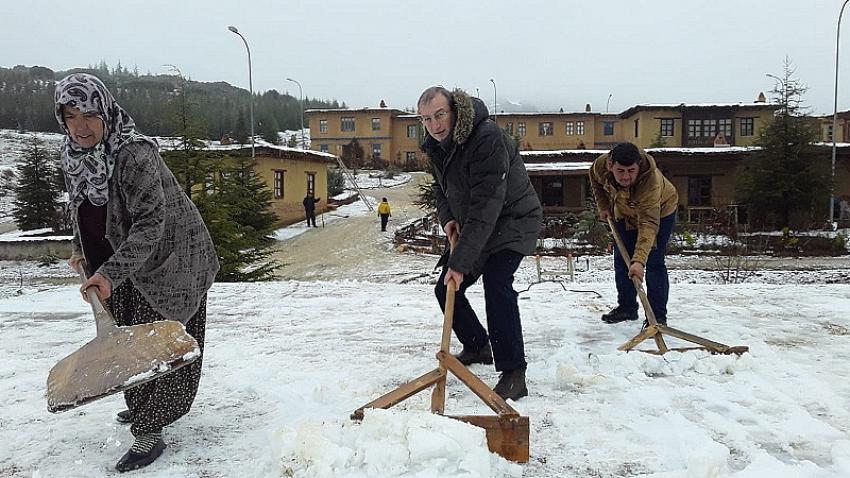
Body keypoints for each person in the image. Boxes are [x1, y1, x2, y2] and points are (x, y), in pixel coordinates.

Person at [55, 73, 219, 473]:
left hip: (169, 260)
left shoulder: (134, 154)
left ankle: (151, 427)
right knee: (128, 338)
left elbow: (151, 224)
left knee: (161, 345)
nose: (81, 125)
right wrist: (81, 251)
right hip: (117, 262)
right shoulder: (71, 154)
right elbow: (80, 209)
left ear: (106, 112)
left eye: (90, 114)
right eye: (71, 115)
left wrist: (109, 274)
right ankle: (144, 404)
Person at [418, 86, 542, 401]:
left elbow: (487, 204)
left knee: (497, 282)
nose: (434, 125)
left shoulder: (486, 138)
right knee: (445, 288)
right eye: (427, 119)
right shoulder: (437, 146)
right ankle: (477, 345)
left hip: (512, 220)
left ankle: (514, 373)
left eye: (440, 114)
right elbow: (443, 191)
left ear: (455, 110)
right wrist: (449, 223)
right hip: (478, 225)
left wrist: (460, 262)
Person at [588, 142, 678, 327]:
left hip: (659, 213)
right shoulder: (600, 165)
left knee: (653, 261)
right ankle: (627, 308)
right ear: (610, 165)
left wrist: (639, 262)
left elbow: (648, 225)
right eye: (620, 171)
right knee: (622, 259)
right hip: (624, 210)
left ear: (638, 166)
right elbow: (595, 181)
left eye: (631, 171)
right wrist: (603, 206)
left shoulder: (650, 183)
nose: (626, 176)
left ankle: (657, 316)